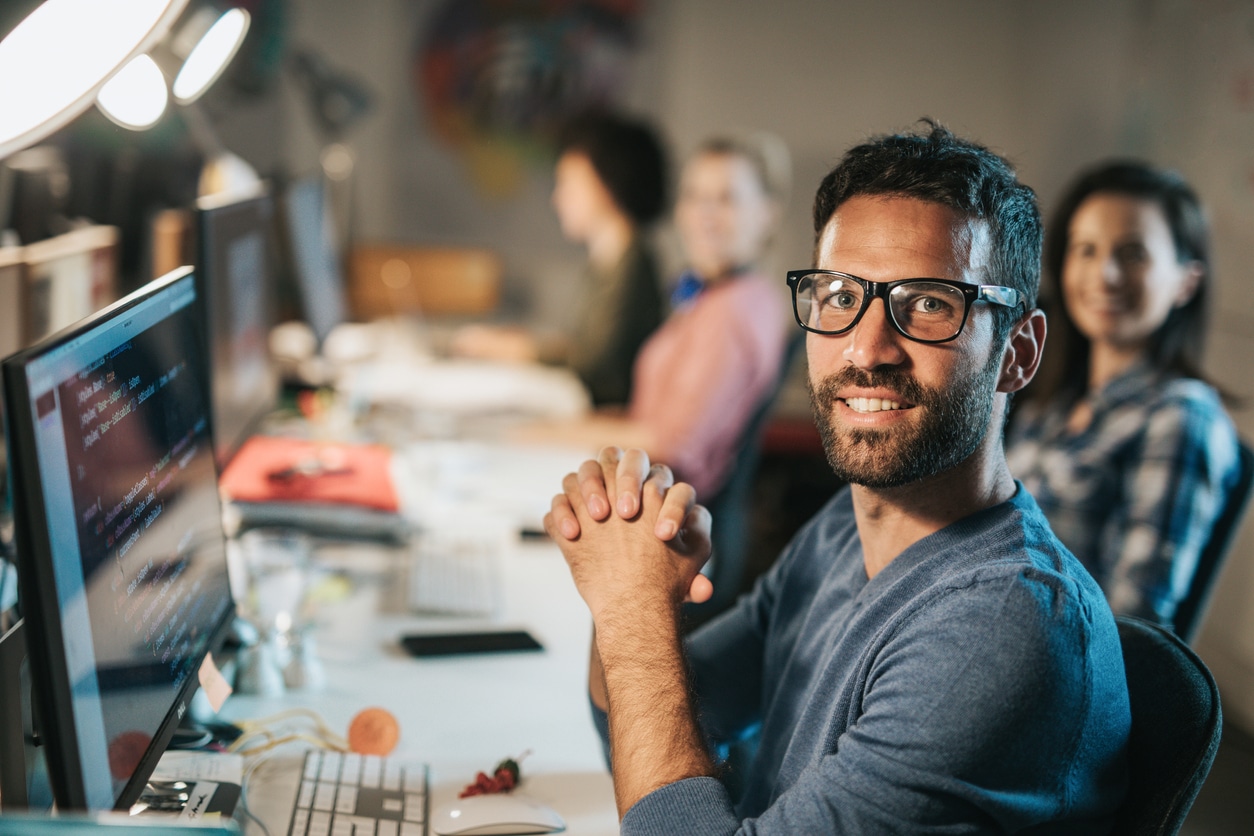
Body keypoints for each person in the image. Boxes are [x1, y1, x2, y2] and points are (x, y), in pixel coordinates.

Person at [543, 123, 1130, 833]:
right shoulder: (845, 529)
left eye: (930, 304)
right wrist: (628, 566)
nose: (868, 348)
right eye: (841, 296)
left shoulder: (1003, 627)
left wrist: (633, 612)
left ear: (1018, 352)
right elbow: (634, 728)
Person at [1006, 161, 1241, 629]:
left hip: (1061, 674)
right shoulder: (1054, 398)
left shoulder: (1181, 416)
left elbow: (1135, 626)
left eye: (1133, 253)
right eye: (1086, 250)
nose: (1105, 275)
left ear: (1186, 281)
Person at [518, 136, 789, 499]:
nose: (703, 214)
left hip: (664, 516)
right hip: (642, 493)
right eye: (693, 196)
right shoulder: (724, 294)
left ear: (767, 214)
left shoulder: (734, 311)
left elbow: (671, 444)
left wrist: (545, 433)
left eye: (725, 199)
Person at [452, 111, 667, 406]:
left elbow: (597, 367)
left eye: (569, 183)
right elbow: (583, 347)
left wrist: (516, 349)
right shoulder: (609, 262)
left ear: (606, 184)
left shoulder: (632, 268)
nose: (558, 198)